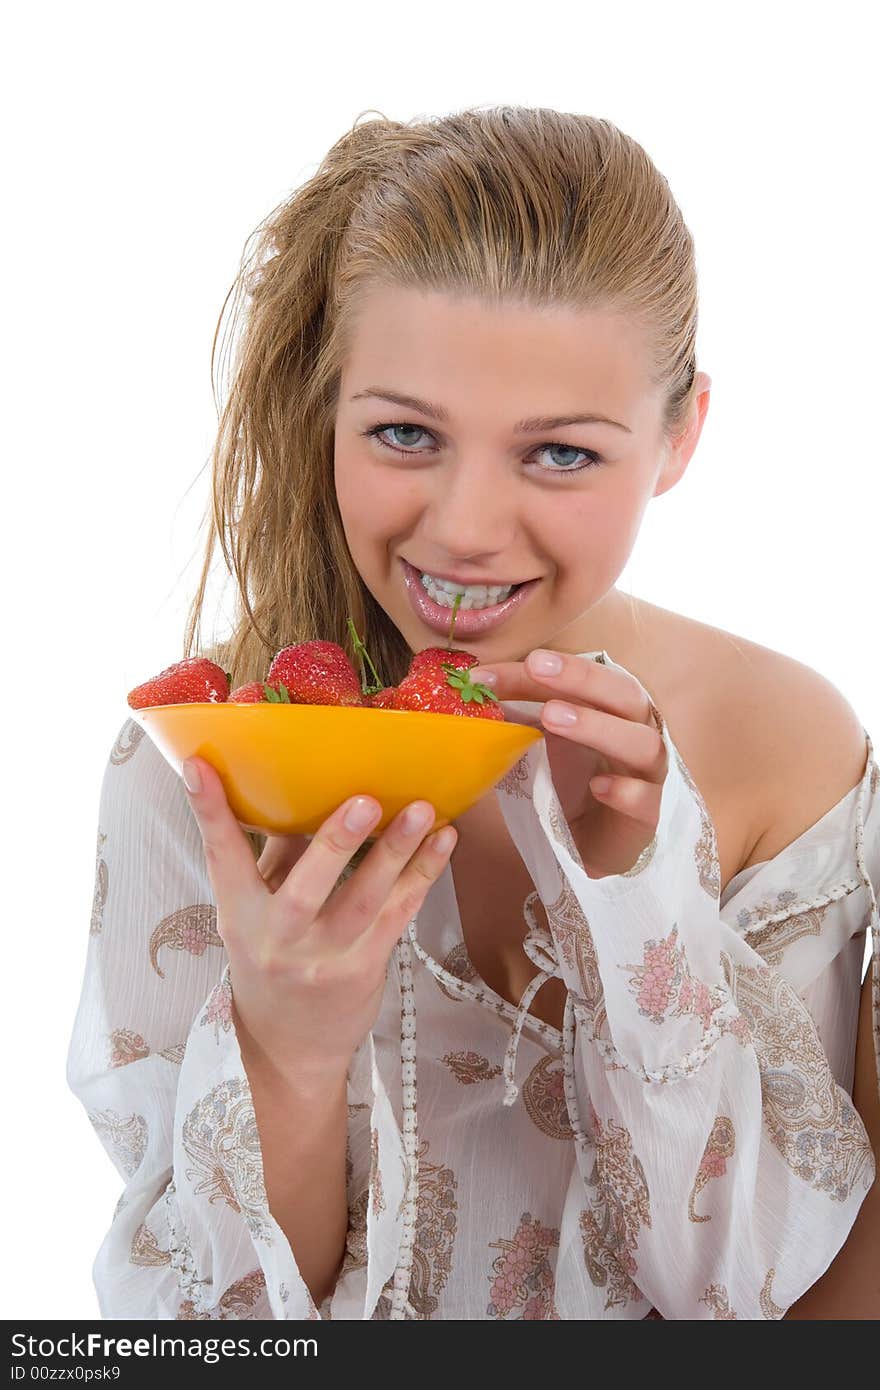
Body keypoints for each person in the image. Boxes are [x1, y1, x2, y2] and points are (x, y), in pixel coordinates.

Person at [67, 105, 879, 1320]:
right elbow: (217, 1331)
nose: (461, 528)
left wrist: (635, 911)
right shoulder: (207, 761)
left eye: (558, 455)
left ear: (678, 435)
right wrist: (287, 1048)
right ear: (327, 410)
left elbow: (762, 1290)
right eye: (403, 432)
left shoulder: (785, 747)